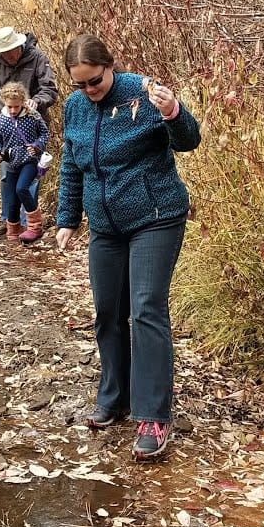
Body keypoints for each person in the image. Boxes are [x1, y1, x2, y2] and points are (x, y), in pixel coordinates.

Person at [54, 33, 201, 462]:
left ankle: (154, 415)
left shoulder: (142, 92)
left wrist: (172, 111)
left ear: (110, 67)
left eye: (94, 82)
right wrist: (67, 218)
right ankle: (114, 397)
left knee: (146, 309)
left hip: (155, 217)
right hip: (105, 227)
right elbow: (71, 164)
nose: (88, 91)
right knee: (107, 313)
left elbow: (188, 139)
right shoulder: (75, 107)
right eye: (78, 84)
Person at [0, 81, 50, 243]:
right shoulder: (1, 119)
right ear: (4, 103)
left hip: (29, 161)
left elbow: (45, 133)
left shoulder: (32, 116)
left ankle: (35, 226)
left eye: (16, 107)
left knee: (22, 189)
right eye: (10, 107)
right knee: (12, 201)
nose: (13, 110)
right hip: (10, 162)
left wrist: (37, 146)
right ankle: (13, 233)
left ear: (23, 103)